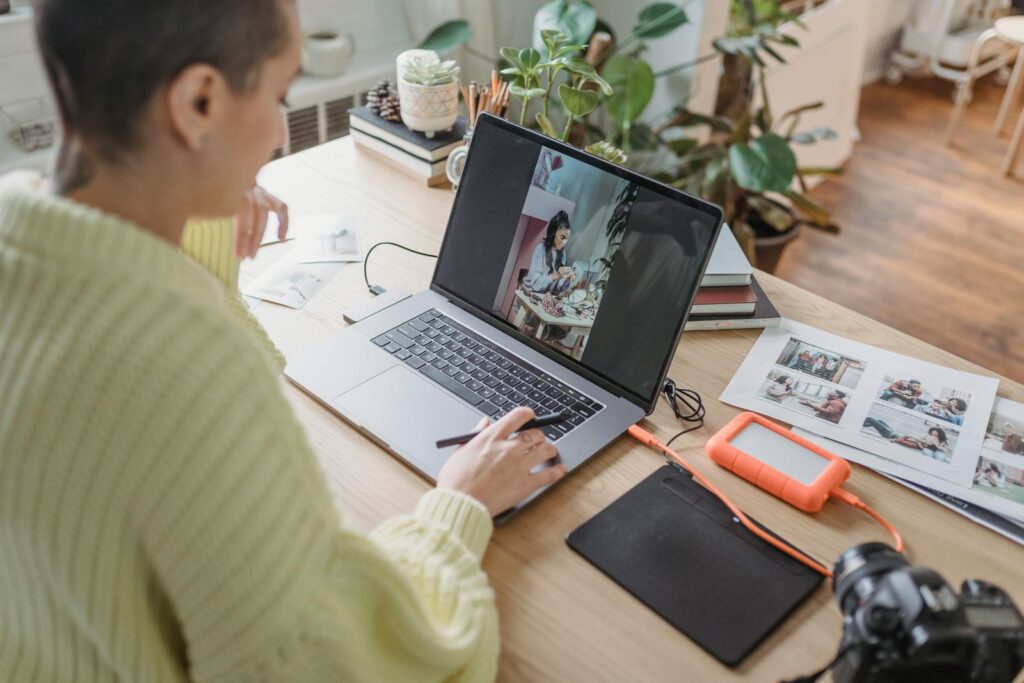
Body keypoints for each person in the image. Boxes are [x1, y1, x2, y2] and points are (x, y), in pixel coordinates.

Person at [0, 2, 564, 681]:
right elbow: (325, 660)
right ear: (197, 102)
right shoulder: (194, 369)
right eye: (278, 95)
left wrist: (190, 195)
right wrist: (458, 508)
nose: (274, 134)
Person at [522, 210, 574, 296]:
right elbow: (536, 285)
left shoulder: (562, 253)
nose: (564, 242)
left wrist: (566, 279)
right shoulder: (540, 249)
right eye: (562, 237)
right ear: (553, 233)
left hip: (543, 298)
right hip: (529, 294)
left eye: (567, 238)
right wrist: (556, 275)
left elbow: (558, 288)